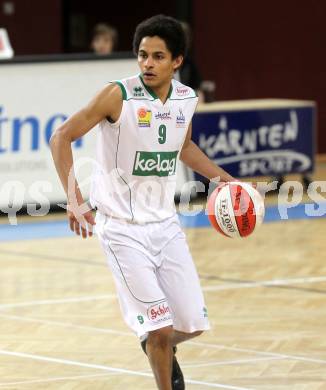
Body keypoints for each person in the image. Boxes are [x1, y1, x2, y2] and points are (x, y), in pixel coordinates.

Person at [50, 14, 234, 390]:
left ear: (177, 61)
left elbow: (183, 147)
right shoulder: (118, 94)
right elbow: (61, 137)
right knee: (162, 328)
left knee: (191, 326)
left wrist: (224, 180)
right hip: (121, 229)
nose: (147, 63)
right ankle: (159, 354)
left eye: (158, 56)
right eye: (143, 55)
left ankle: (154, 342)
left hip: (166, 226)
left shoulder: (185, 98)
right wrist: (75, 198)